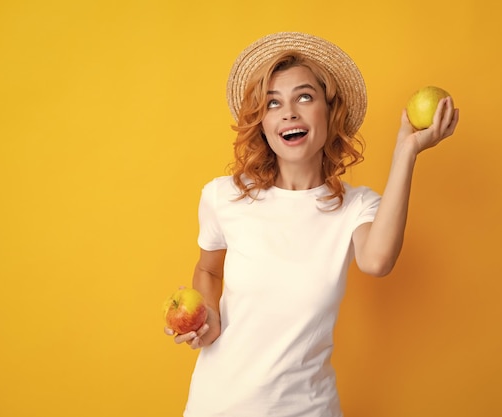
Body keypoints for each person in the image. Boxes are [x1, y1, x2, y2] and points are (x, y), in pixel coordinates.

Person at [166, 32, 459, 416]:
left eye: (304, 97)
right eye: (274, 103)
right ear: (263, 123)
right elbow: (208, 268)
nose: (289, 112)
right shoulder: (224, 197)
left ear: (329, 111)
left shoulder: (356, 207)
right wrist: (209, 313)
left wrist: (407, 151)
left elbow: (377, 261)